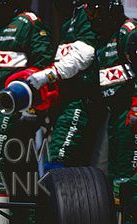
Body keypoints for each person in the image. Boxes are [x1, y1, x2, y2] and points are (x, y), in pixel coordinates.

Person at [0, 0, 54, 182]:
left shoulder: (29, 22)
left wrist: (31, 107)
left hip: (16, 106)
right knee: (14, 165)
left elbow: (43, 64)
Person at [86, 0, 136, 224]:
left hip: (130, 113)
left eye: (95, 11)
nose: (92, 17)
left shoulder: (127, 32)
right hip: (113, 115)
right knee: (116, 177)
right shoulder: (101, 41)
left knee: (129, 178)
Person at [25, 0, 102, 170]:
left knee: (60, 153)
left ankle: (60, 194)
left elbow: (85, 55)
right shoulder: (68, 22)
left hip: (80, 100)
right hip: (64, 100)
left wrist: (47, 75)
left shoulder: (86, 15)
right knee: (60, 154)